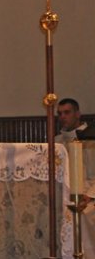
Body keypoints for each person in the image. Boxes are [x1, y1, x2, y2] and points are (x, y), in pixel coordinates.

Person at [54, 98, 95, 257]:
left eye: (67, 112)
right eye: (60, 114)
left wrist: (89, 195)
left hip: (88, 195)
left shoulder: (90, 138)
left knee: (81, 215)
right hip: (63, 194)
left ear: (78, 114)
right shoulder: (57, 142)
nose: (62, 117)